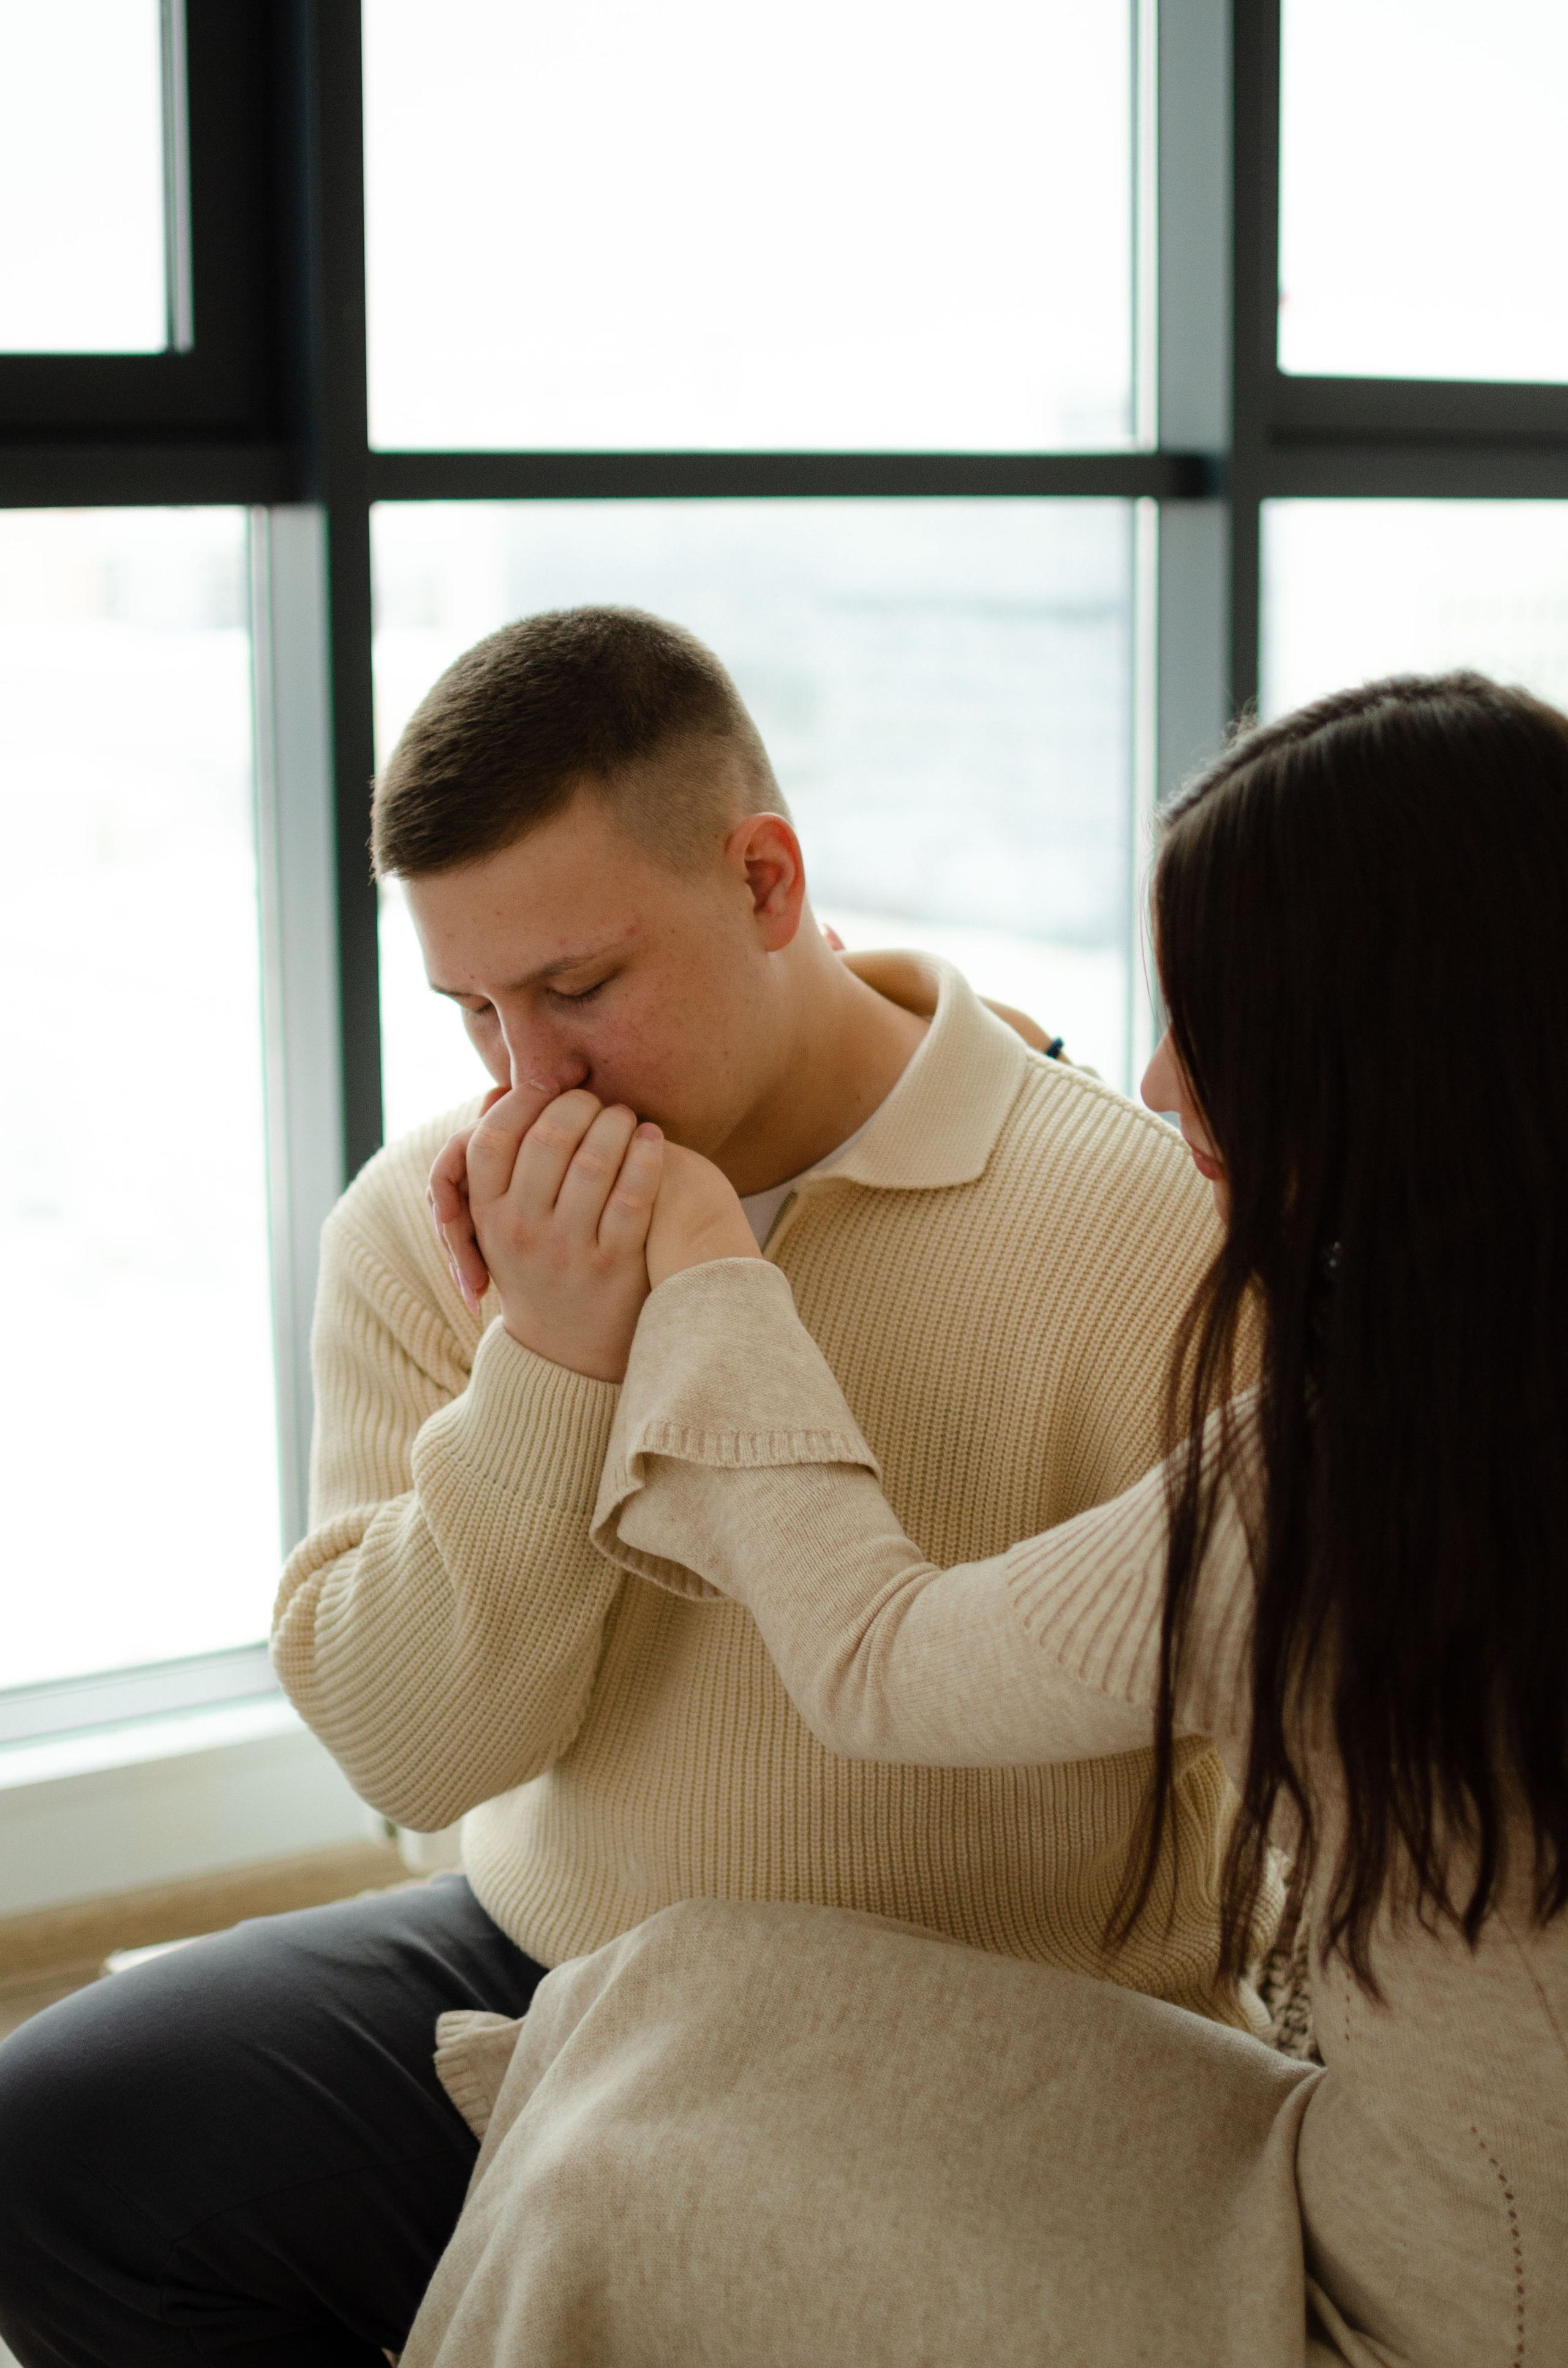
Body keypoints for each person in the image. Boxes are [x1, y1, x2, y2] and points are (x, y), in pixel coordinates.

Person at [0, 606, 1262, 2367]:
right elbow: (415, 1753)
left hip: (999, 2043)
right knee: (58, 2140)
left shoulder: (1151, 1231)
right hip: (564, 1970)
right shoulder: (430, 1225)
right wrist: (553, 1363)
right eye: (476, 1012)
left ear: (765, 880)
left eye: (580, 989)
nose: (529, 1078)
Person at [395, 673, 1568, 2368]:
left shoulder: (1341, 1482)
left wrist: (705, 1268)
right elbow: (407, 1723)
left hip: (1424, 2313)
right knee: (676, 1987)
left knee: (614, 2176)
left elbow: (876, 1660)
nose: (1154, 1081)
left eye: (1211, 1023)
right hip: (1402, 2172)